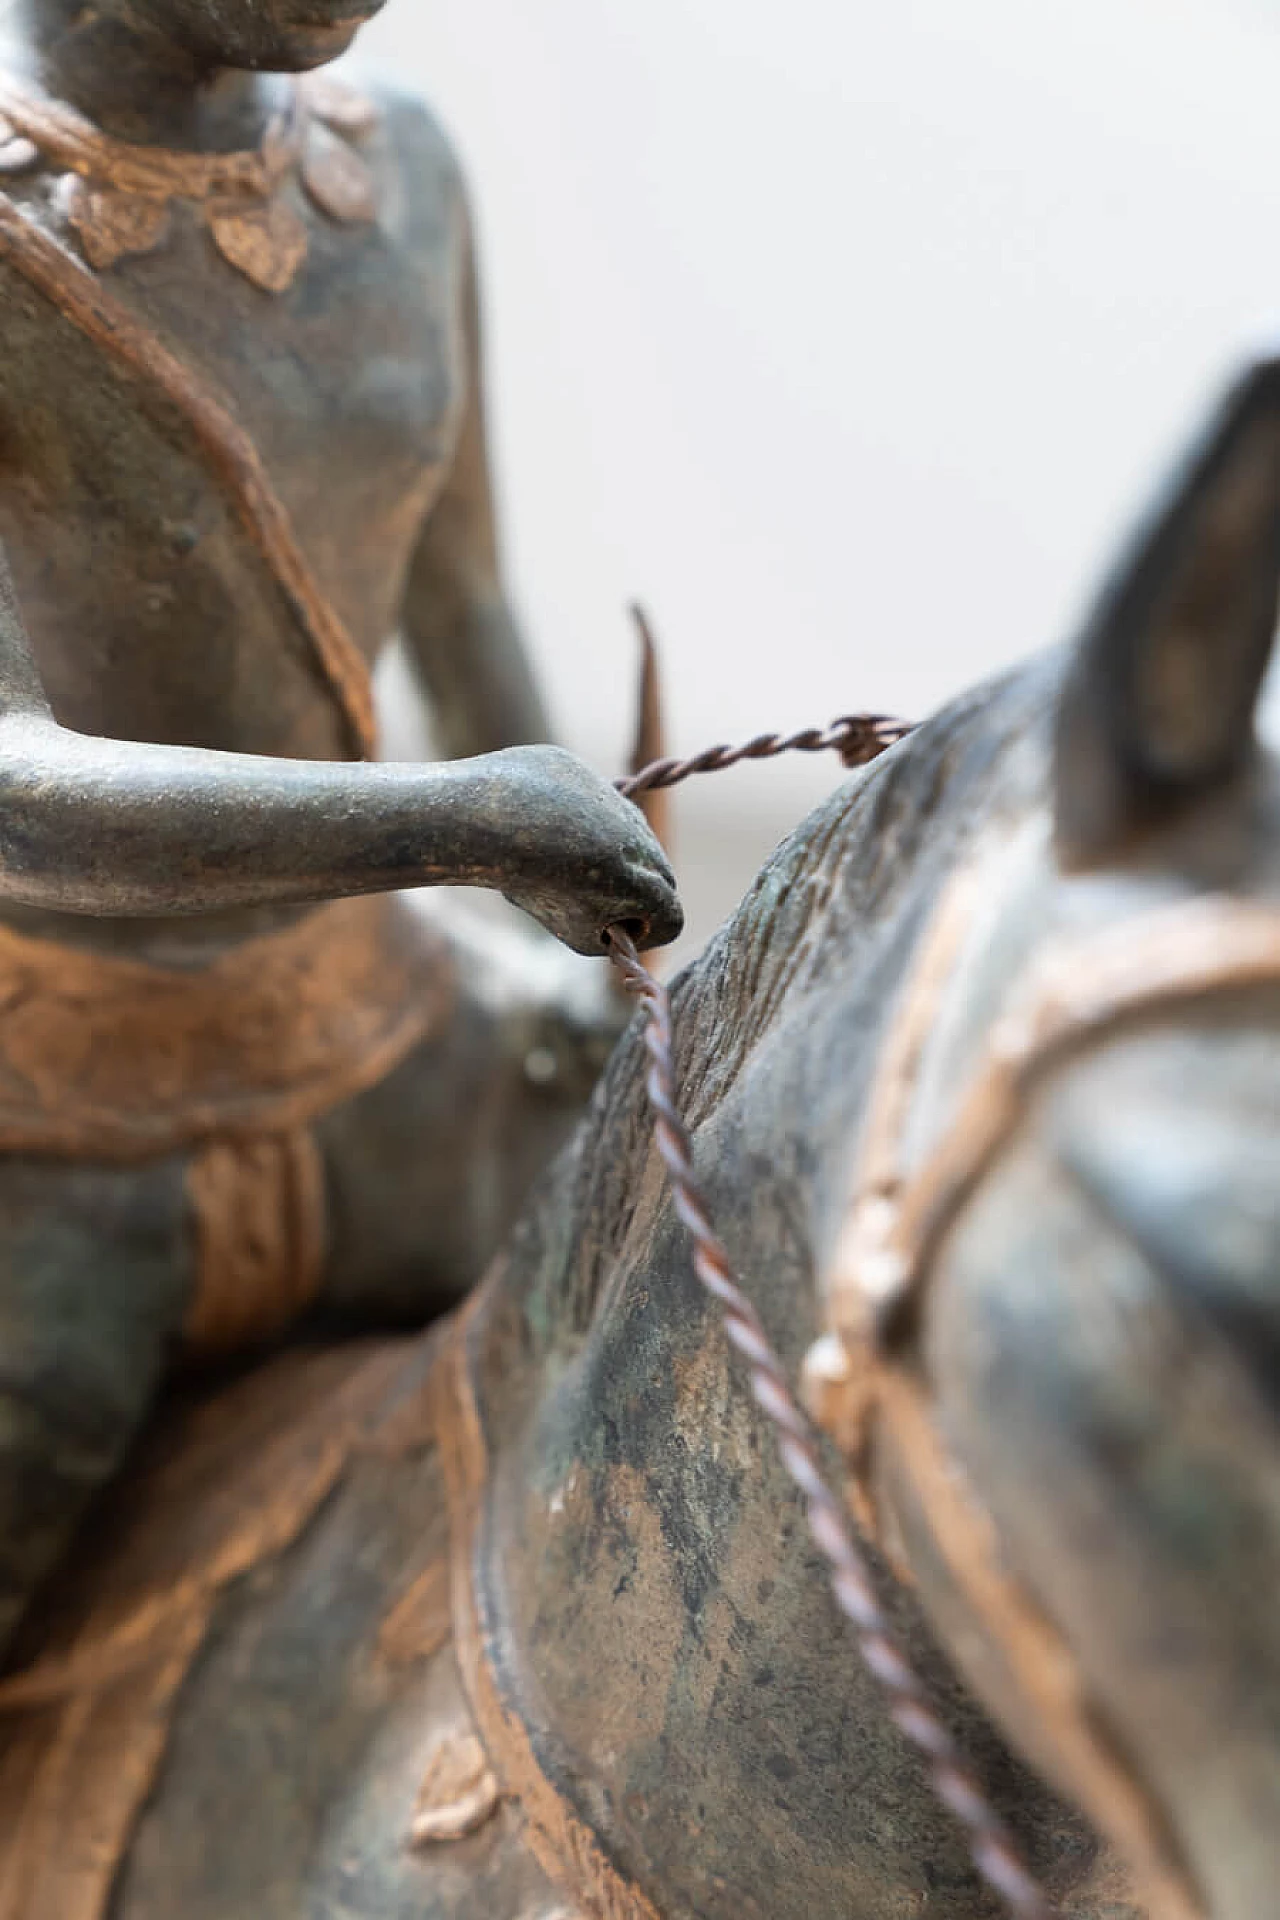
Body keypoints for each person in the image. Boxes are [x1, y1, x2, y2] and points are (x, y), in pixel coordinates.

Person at [0, 0, 680, 1654]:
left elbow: (458, 606)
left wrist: (588, 940)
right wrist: (460, 825)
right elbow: (12, 793)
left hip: (390, 1052)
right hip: (49, 1129)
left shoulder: (409, 168)